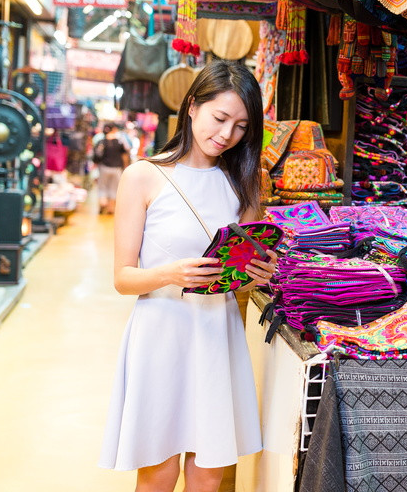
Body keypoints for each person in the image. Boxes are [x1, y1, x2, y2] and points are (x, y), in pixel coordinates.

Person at [99, 60, 279, 492]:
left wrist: (258, 273)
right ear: (193, 106)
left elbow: (241, 270)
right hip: (161, 330)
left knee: (209, 470)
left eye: (240, 126)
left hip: (217, 332)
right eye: (220, 118)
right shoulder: (143, 176)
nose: (226, 134)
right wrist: (168, 273)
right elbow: (123, 278)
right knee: (158, 470)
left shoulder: (246, 182)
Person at [94, 123, 131, 215]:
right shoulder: (119, 142)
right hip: (117, 169)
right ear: (114, 129)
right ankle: (111, 208)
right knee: (114, 188)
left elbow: (97, 157)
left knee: (102, 187)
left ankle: (103, 204)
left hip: (104, 168)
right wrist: (126, 166)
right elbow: (125, 155)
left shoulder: (101, 142)